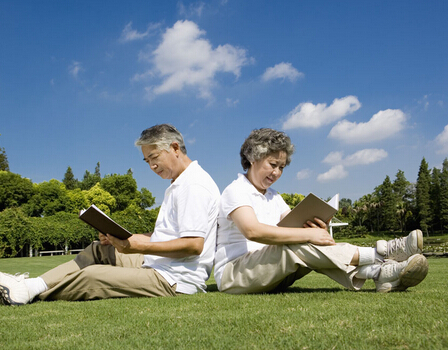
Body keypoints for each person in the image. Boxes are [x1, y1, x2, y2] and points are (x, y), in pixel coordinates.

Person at [0, 124, 220, 305]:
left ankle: (25, 294)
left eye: (154, 157)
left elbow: (193, 245)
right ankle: (31, 286)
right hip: (159, 265)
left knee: (92, 275)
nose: (152, 166)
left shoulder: (193, 185)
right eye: (147, 161)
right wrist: (122, 238)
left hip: (175, 281)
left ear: (175, 148)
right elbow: (165, 236)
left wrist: (138, 246)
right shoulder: (179, 184)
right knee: (101, 249)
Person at [214, 128, 428, 294]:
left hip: (271, 271)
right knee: (294, 245)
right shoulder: (235, 190)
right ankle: (382, 255)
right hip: (235, 274)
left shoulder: (274, 196)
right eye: (272, 164)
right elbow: (253, 231)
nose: (277, 172)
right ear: (253, 158)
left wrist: (315, 225)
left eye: (282, 167)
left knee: (302, 241)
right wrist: (308, 234)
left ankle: (379, 273)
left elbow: (292, 225)